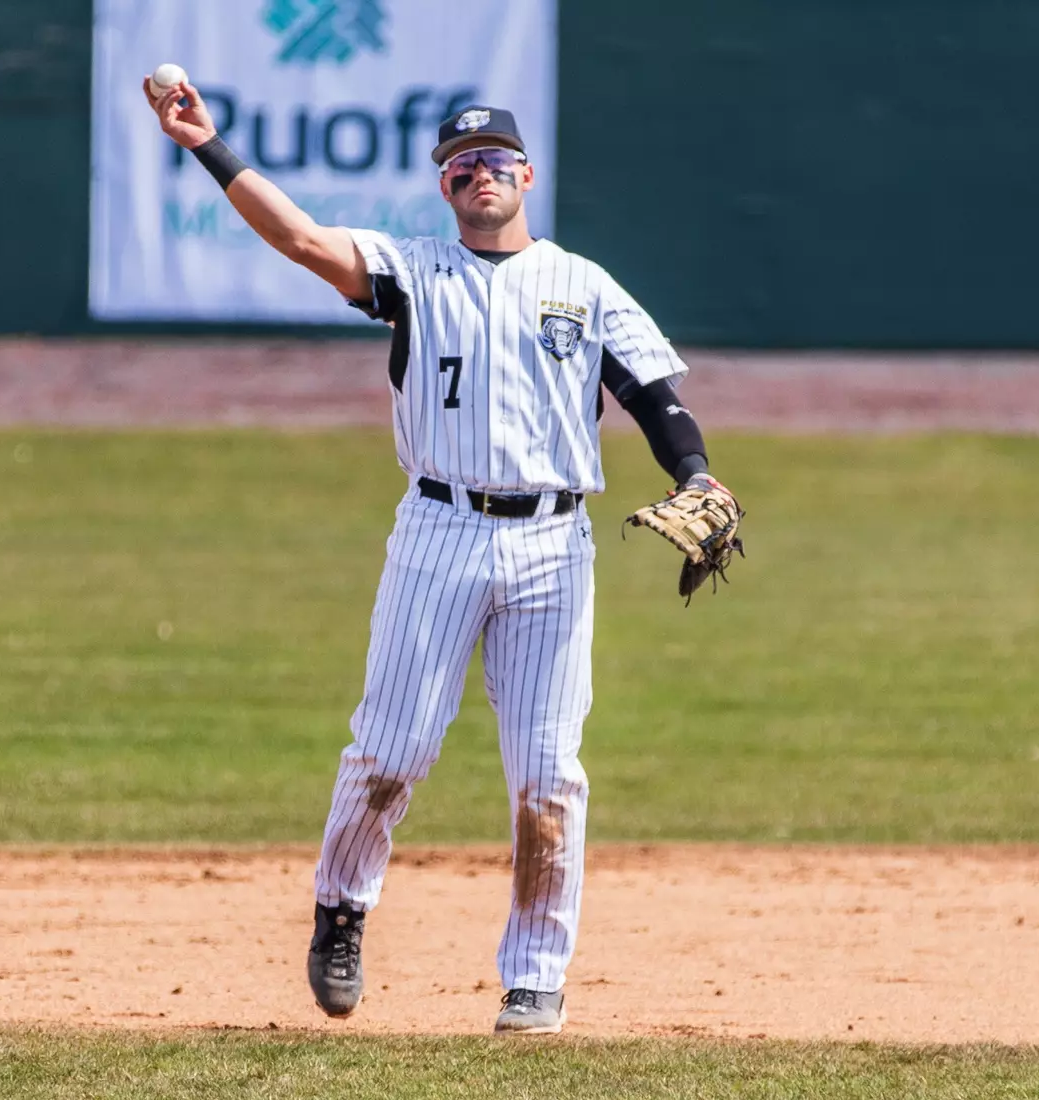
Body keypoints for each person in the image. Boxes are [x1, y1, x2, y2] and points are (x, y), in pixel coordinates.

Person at [146, 78, 735, 1035]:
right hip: (439, 532)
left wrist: (698, 474)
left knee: (549, 774)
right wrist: (208, 146)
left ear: (527, 175)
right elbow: (300, 238)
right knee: (392, 750)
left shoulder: (583, 286)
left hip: (553, 544)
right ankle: (341, 910)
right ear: (445, 188)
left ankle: (535, 978)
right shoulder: (411, 272)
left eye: (496, 160)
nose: (481, 175)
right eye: (462, 166)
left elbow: (655, 397)